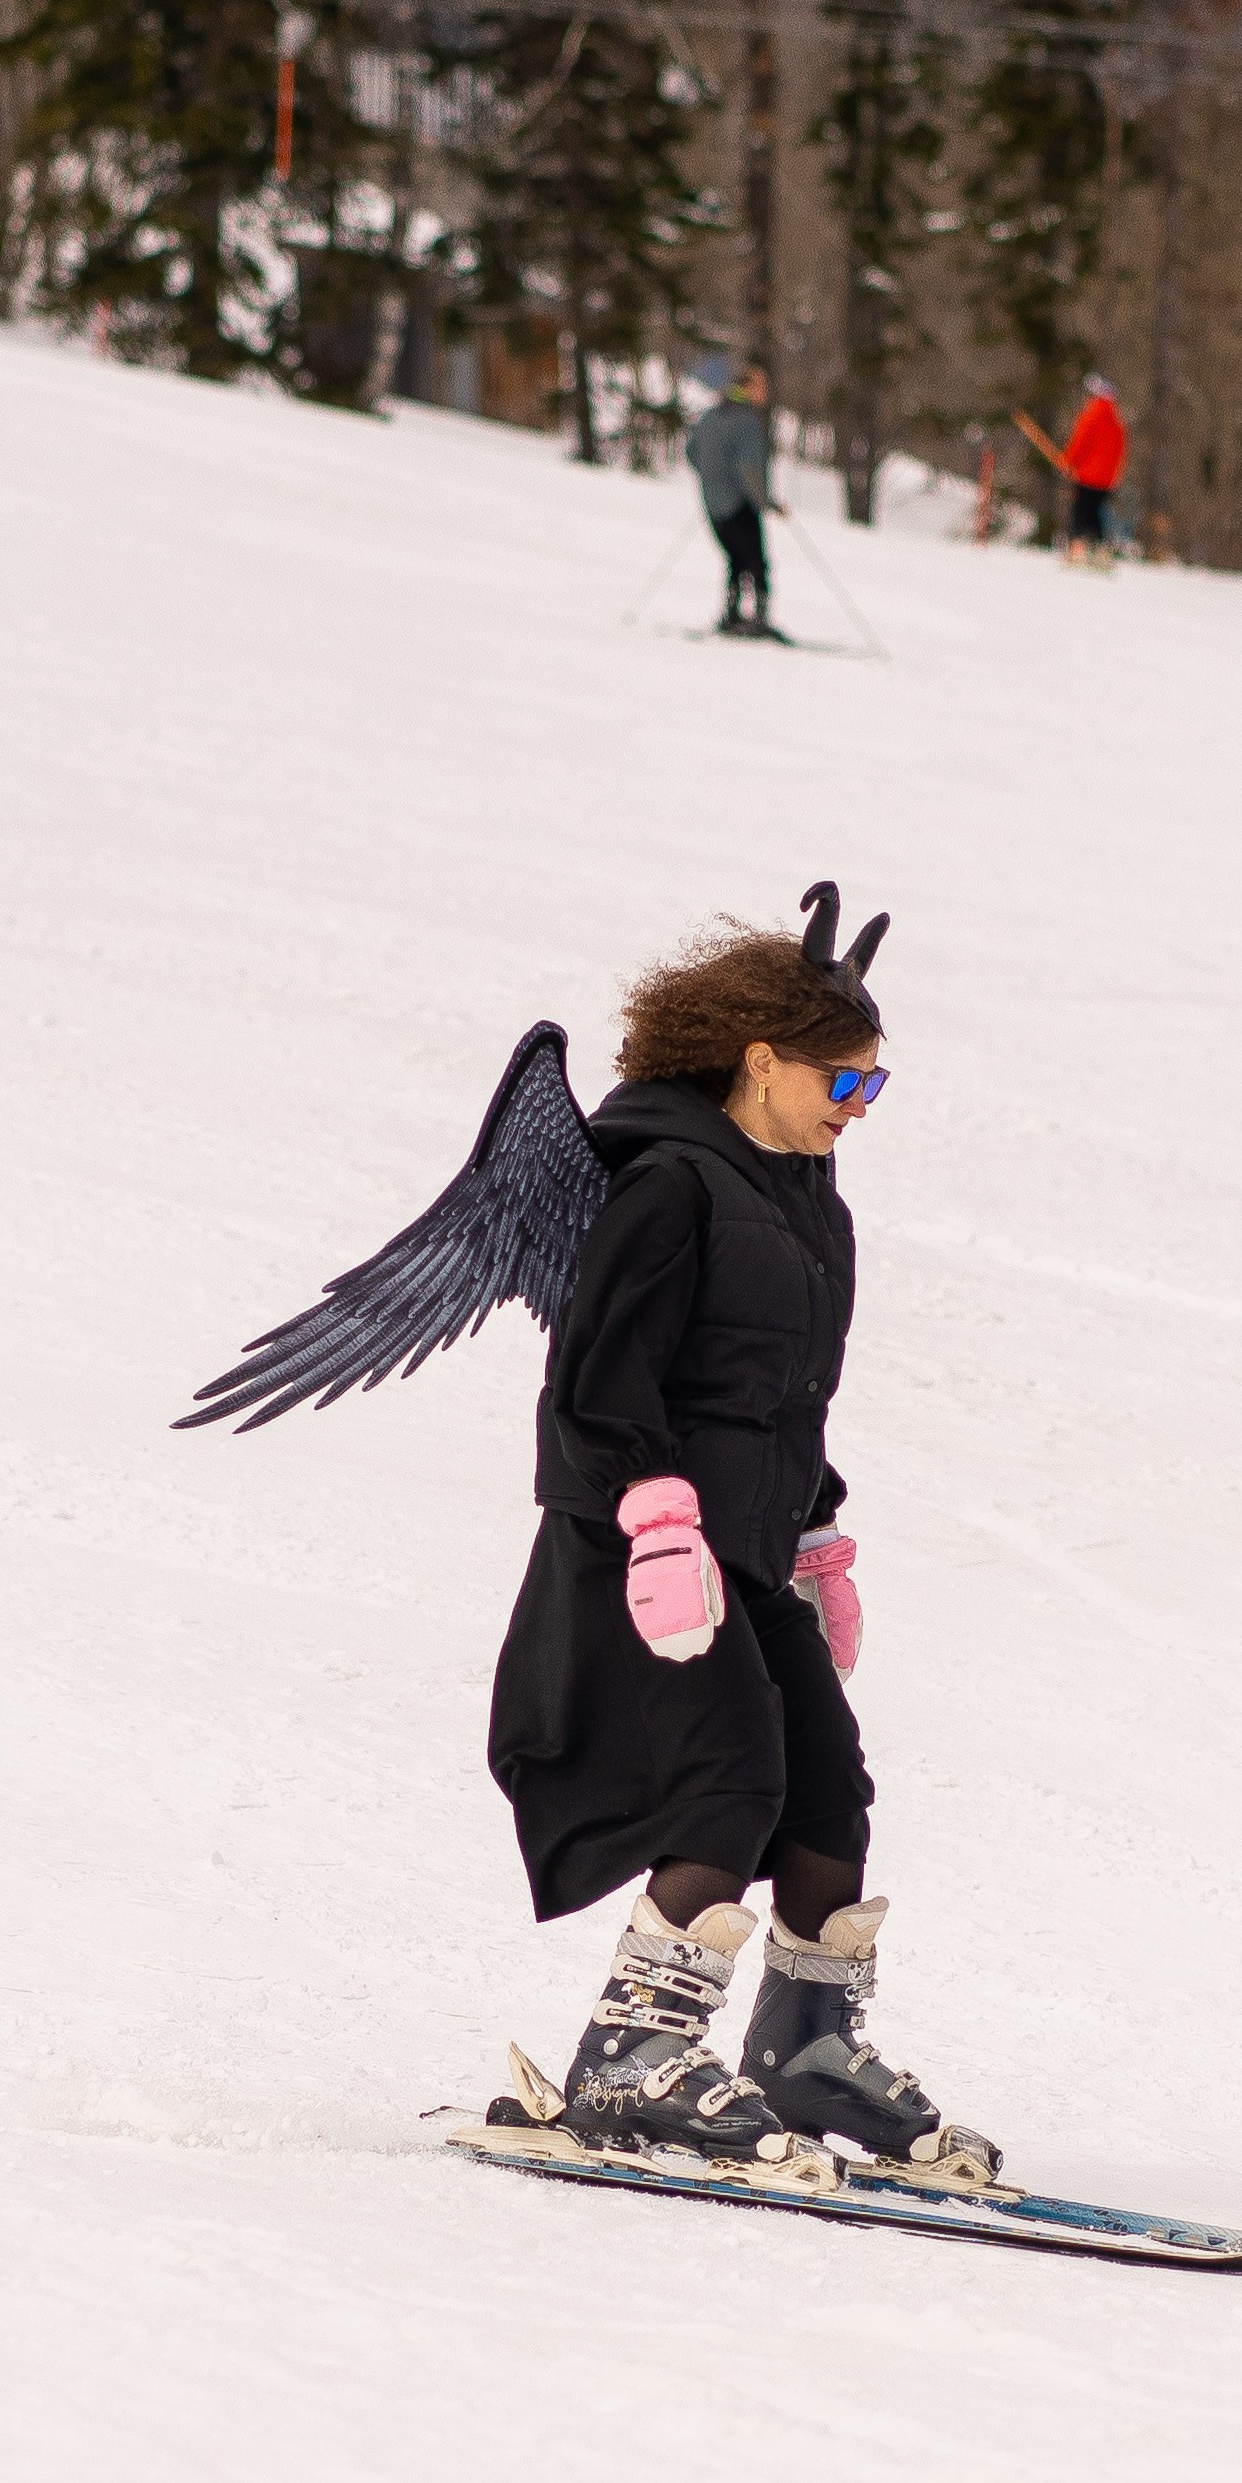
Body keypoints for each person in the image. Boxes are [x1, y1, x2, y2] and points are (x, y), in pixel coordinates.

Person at [485, 892, 998, 2185]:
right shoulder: (664, 1181)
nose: (858, 1102)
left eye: (874, 1081)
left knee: (827, 1790)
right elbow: (598, 1384)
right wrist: (655, 1522)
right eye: (842, 1075)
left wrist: (815, 1532)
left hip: (748, 1546)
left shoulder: (804, 1197)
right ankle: (630, 2057)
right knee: (728, 1783)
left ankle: (805, 2046)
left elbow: (773, 1394)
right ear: (757, 1056)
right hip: (638, 1551)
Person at [685, 364, 783, 635]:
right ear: (748, 388)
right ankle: (759, 619)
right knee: (755, 560)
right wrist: (766, 502)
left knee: (735, 559)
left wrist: (714, 478)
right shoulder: (747, 421)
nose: (765, 391)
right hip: (740, 504)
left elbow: (692, 453)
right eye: (761, 386)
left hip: (713, 505)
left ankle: (731, 614)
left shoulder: (710, 417)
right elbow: (749, 468)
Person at [1060, 374, 1126, 566]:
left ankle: (1078, 548)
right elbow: (1119, 451)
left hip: (1088, 475)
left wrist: (1067, 462)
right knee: (1096, 512)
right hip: (1107, 478)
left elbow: (1080, 441)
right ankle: (1100, 551)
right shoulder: (1117, 420)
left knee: (1081, 510)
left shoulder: (1091, 415)